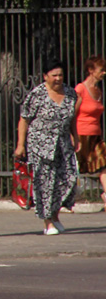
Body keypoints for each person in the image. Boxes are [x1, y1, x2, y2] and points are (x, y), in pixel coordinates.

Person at [14, 58, 80, 235]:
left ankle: (56, 214)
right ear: (45, 76)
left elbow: (72, 118)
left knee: (68, 179)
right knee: (45, 183)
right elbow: (24, 120)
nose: (58, 79)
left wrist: (76, 137)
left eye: (60, 75)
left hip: (63, 143)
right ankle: (47, 221)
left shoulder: (71, 94)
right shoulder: (37, 95)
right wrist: (20, 145)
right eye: (54, 75)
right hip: (41, 145)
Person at [74, 55, 106, 208]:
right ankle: (64, 200)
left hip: (96, 135)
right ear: (91, 70)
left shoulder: (98, 90)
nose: (104, 72)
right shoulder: (81, 89)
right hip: (81, 135)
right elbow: (72, 113)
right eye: (101, 70)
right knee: (77, 168)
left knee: (104, 164)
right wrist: (72, 136)